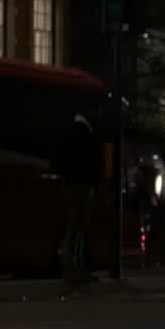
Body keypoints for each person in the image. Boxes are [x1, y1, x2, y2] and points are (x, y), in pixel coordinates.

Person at [54, 105, 100, 290]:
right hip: (81, 184)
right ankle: (74, 266)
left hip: (73, 182)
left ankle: (72, 266)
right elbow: (89, 161)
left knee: (75, 225)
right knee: (78, 225)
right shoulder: (83, 133)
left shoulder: (70, 131)